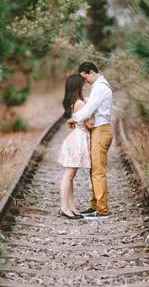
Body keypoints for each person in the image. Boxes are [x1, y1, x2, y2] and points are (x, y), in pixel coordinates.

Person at [70, 62, 113, 218]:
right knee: (94, 169)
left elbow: (88, 111)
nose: (85, 82)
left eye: (85, 77)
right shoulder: (99, 86)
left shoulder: (100, 87)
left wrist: (73, 119)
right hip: (99, 131)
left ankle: (102, 210)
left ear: (90, 72)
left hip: (101, 131)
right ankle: (95, 205)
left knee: (98, 171)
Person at [58, 74, 94, 219]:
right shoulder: (80, 103)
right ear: (78, 86)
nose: (85, 84)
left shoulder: (76, 101)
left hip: (77, 138)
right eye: (83, 83)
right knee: (69, 175)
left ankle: (71, 206)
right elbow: (90, 123)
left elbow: (75, 121)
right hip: (78, 139)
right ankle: (64, 207)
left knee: (70, 175)